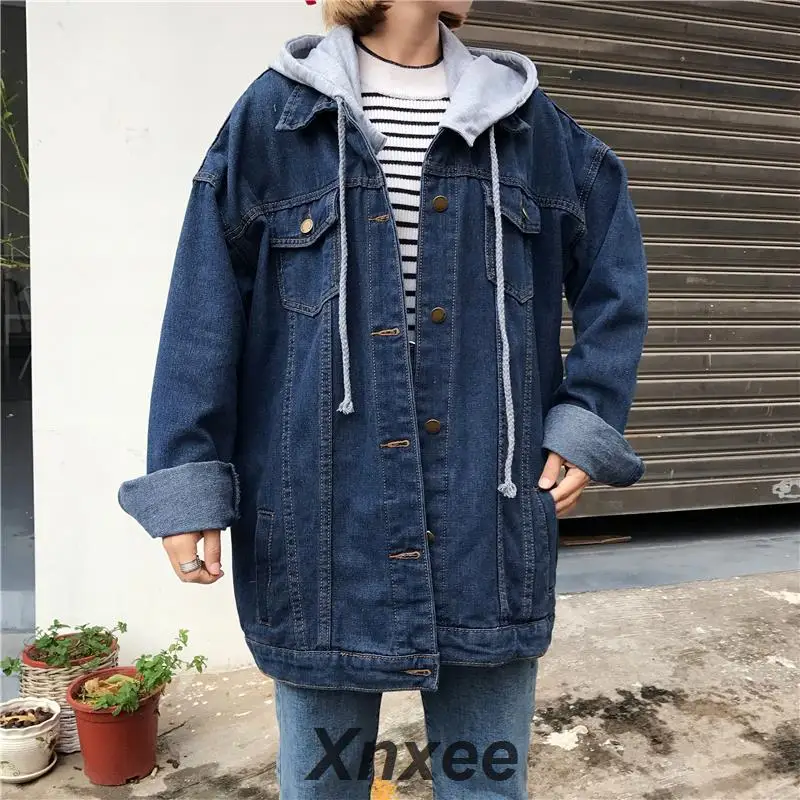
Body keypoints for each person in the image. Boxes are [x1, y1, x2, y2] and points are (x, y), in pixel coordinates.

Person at [119, 0, 648, 796]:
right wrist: (186, 476)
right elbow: (203, 304)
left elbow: (615, 276)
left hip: (487, 524)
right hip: (319, 531)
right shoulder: (278, 117)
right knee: (322, 785)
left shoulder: (528, 126)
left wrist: (585, 419)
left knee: (484, 785)